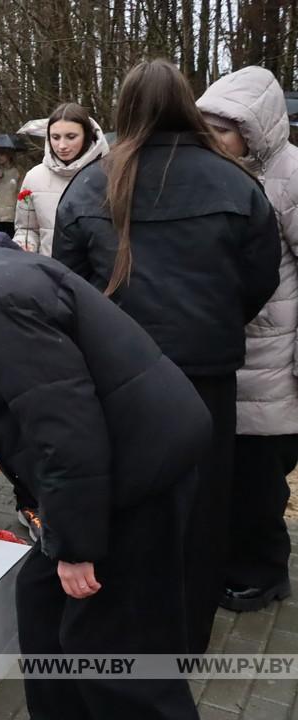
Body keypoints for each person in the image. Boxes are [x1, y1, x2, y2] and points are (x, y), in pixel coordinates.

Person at [0, 228, 212, 720]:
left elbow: (65, 429)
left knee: (112, 648)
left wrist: (76, 548)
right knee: (41, 602)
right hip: (119, 465)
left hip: (141, 472)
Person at [53, 59, 281, 654]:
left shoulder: (90, 184)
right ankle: (182, 639)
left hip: (126, 381)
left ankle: (129, 633)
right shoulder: (235, 183)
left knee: (134, 505)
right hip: (201, 377)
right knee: (201, 516)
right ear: (187, 103)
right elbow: (256, 282)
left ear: (125, 109)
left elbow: (66, 287)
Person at [198, 65, 298, 612]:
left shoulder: (289, 174)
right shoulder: (220, 173)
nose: (214, 139)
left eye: (224, 129)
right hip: (231, 351)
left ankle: (263, 574)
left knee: (261, 480)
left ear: (255, 129)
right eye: (206, 126)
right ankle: (232, 562)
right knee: (231, 473)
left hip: (274, 357)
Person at [14, 103, 109, 256]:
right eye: (55, 137)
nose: (62, 145)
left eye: (71, 137)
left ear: (87, 135)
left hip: (95, 276)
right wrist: (25, 246)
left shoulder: (108, 175)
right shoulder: (34, 177)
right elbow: (26, 229)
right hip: (48, 273)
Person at [0, 149, 19, 235]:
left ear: (9, 155)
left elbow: (22, 191)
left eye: (2, 154)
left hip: (11, 213)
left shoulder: (17, 171)